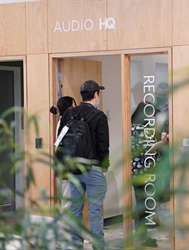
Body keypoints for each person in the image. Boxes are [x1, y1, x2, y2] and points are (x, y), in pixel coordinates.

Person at [58, 80, 110, 250]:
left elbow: (61, 141)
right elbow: (103, 146)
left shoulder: (68, 114)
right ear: (95, 95)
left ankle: (75, 245)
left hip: (73, 168)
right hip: (93, 169)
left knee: (74, 209)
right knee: (94, 211)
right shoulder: (99, 116)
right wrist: (104, 167)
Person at [130, 101, 168, 247]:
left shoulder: (137, 127)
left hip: (142, 172)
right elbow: (148, 149)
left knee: (143, 204)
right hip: (142, 173)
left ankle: (141, 235)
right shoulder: (138, 129)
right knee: (143, 205)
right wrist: (163, 141)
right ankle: (141, 236)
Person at [50, 96, 77, 211]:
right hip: (65, 167)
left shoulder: (63, 122)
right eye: (74, 105)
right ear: (70, 108)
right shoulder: (66, 124)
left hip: (61, 165)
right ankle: (64, 228)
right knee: (67, 203)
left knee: (66, 202)